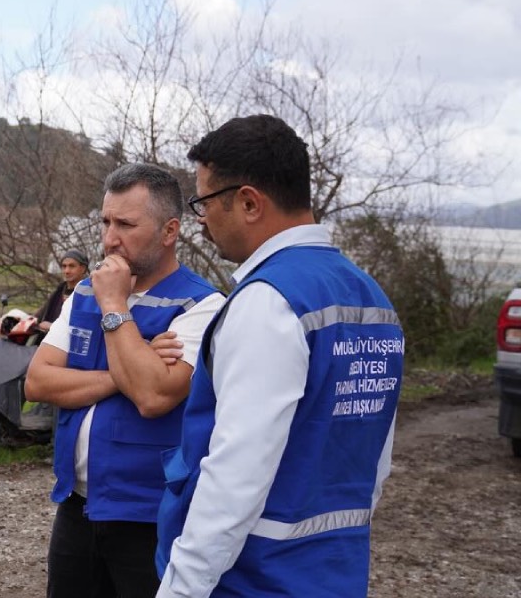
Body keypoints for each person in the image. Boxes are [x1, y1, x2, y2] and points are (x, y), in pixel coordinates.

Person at [155, 115, 405, 597]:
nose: (201, 220)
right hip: (334, 574)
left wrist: (180, 590)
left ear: (249, 202)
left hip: (253, 579)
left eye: (204, 202)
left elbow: (235, 476)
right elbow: (374, 462)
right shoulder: (372, 299)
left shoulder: (268, 301)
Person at [25, 163, 225, 598]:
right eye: (105, 222)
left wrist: (115, 304)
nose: (110, 239)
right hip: (76, 507)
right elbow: (38, 383)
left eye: (126, 225)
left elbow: (154, 396)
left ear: (169, 231)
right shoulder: (83, 294)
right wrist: (130, 371)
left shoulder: (202, 305)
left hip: (151, 514)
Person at [33, 249, 91, 342]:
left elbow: (85, 330)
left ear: (83, 268)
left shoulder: (89, 294)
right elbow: (38, 316)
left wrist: (52, 326)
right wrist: (18, 317)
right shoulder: (59, 292)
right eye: (64, 266)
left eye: (72, 266)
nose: (66, 271)